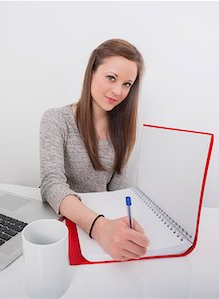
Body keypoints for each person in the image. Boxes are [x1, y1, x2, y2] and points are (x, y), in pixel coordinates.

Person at [39, 39, 149, 261]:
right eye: (111, 78)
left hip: (104, 226)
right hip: (67, 224)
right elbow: (51, 184)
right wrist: (99, 228)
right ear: (91, 72)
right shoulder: (56, 120)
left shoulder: (123, 130)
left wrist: (124, 224)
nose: (118, 91)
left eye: (127, 84)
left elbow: (118, 188)